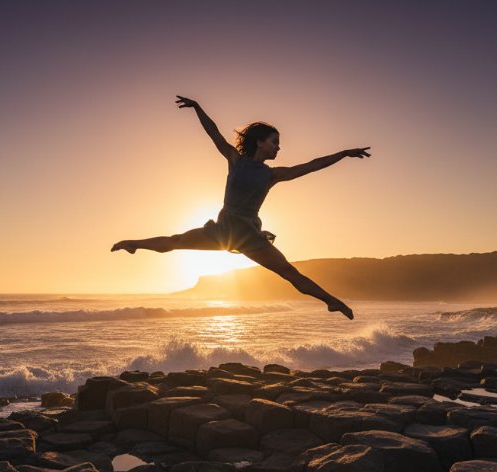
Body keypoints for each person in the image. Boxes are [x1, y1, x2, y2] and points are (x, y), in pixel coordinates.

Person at [111, 95, 370, 319]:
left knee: (289, 272)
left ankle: (331, 302)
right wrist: (198, 107)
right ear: (260, 142)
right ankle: (134, 244)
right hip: (222, 230)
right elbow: (215, 134)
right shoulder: (235, 160)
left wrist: (344, 153)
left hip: (249, 236)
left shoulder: (273, 174)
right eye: (274, 142)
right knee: (176, 240)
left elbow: (313, 165)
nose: (278, 147)